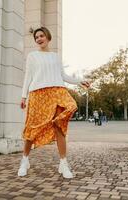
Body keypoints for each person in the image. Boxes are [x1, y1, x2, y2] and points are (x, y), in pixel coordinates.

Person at [18, 27, 90, 178]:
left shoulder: (56, 56)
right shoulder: (32, 56)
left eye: (41, 36)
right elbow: (28, 77)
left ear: (48, 37)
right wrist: (23, 96)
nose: (39, 39)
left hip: (57, 92)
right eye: (36, 37)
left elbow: (63, 75)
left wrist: (79, 81)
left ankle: (63, 164)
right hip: (38, 94)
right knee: (32, 129)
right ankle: (25, 160)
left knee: (61, 125)